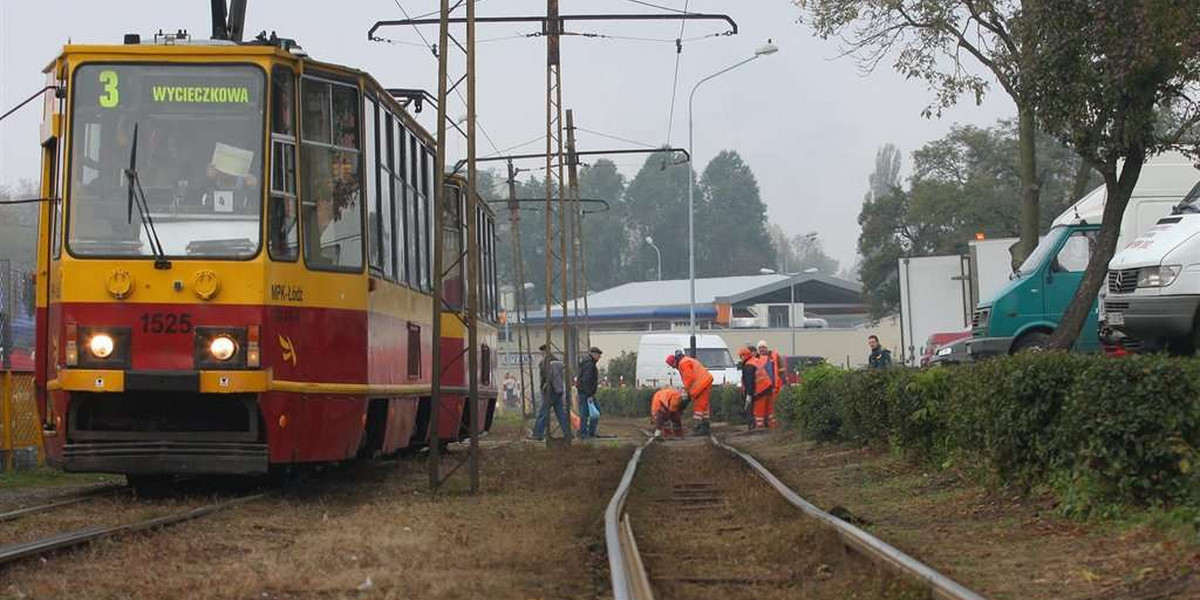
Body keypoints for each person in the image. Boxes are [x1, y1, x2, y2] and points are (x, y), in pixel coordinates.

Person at [666, 350, 714, 436]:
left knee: (699, 407)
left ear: (674, 362)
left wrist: (685, 390)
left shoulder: (683, 364)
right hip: (705, 382)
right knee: (704, 407)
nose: (674, 367)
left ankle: (698, 427)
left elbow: (689, 377)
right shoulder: (687, 360)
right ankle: (706, 427)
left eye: (672, 365)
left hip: (701, 385)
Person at [531, 344, 572, 441]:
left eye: (542, 352)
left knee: (543, 413)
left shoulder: (545, 362)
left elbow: (546, 377)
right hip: (558, 390)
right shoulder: (557, 361)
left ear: (543, 352)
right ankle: (568, 433)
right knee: (561, 413)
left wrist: (544, 386)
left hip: (550, 391)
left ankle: (537, 434)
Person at [739, 347, 774, 430]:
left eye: (741, 356)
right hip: (768, 388)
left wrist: (749, 395)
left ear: (744, 356)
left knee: (759, 413)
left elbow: (749, 382)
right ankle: (773, 428)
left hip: (760, 391)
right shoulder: (756, 360)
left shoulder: (749, 365)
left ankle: (759, 430)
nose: (741, 359)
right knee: (770, 412)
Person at [756, 340, 784, 429]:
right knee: (760, 408)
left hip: (773, 387)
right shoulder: (755, 359)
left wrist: (782, 382)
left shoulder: (774, 356)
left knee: (772, 409)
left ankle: (772, 426)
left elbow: (781, 370)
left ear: (767, 348)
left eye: (763, 347)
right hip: (760, 389)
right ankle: (760, 426)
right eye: (760, 348)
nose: (762, 349)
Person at [576, 346, 602, 439]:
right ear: (593, 354)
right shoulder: (589, 365)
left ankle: (588, 432)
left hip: (585, 392)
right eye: (598, 355)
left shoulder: (587, 363)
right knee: (588, 412)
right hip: (586, 393)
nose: (599, 358)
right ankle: (585, 433)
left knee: (589, 412)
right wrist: (589, 394)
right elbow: (586, 380)